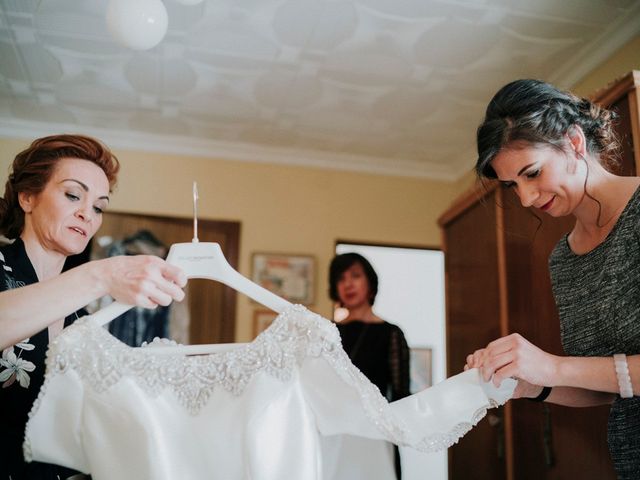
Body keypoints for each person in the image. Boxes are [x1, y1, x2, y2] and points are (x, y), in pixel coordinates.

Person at [465, 79, 640, 479]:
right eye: (512, 185)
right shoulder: (564, 257)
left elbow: (578, 369)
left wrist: (554, 367)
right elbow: (607, 383)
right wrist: (531, 383)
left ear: (574, 141)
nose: (525, 199)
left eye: (532, 173)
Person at [0, 134, 187, 480]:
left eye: (99, 206)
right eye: (73, 195)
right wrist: (101, 275)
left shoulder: (84, 323)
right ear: (27, 197)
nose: (87, 213)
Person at [328, 252, 410, 480]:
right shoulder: (327, 333)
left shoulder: (390, 333)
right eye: (341, 278)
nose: (348, 284)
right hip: (332, 429)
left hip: (374, 432)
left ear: (370, 284)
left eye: (355, 276)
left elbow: (401, 393)